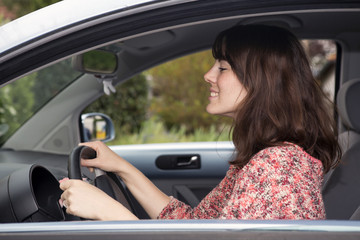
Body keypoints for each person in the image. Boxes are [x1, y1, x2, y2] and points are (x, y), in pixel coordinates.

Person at [60, 24, 341, 220]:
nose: (208, 75)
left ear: (261, 81)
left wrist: (105, 211)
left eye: (222, 67)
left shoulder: (277, 168)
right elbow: (191, 222)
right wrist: (122, 168)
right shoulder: (264, 160)